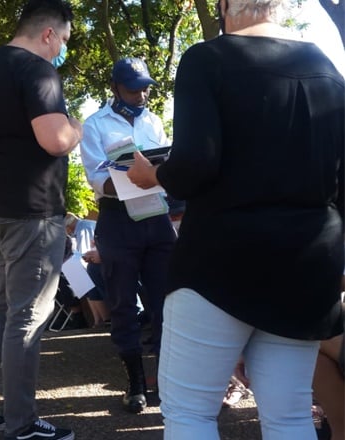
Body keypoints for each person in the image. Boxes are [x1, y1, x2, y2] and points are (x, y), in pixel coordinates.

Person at [126, 1, 345, 437]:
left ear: (225, 5)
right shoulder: (327, 70)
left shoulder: (207, 59)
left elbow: (194, 164)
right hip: (306, 263)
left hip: (220, 260)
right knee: (290, 415)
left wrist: (152, 174)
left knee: (190, 412)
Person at [0, 1, 82, 439]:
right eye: (63, 40)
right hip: (31, 212)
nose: (62, 49)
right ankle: (21, 423)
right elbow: (55, 139)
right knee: (27, 317)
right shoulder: (38, 71)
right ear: (48, 33)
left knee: (2, 310)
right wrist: (76, 127)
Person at [79, 57, 176, 413]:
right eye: (134, 88)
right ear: (115, 87)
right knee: (122, 303)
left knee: (166, 302)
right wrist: (129, 179)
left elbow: (167, 164)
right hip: (118, 219)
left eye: (146, 86)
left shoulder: (153, 121)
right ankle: (135, 381)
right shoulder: (94, 125)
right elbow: (96, 178)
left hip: (156, 216)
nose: (142, 94)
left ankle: (167, 381)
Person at [64, 213, 110, 327]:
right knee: (79, 278)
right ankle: (98, 320)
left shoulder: (83, 228)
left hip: (101, 262)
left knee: (84, 277)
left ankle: (104, 319)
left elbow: (84, 253)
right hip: (95, 261)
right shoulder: (80, 228)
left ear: (67, 226)